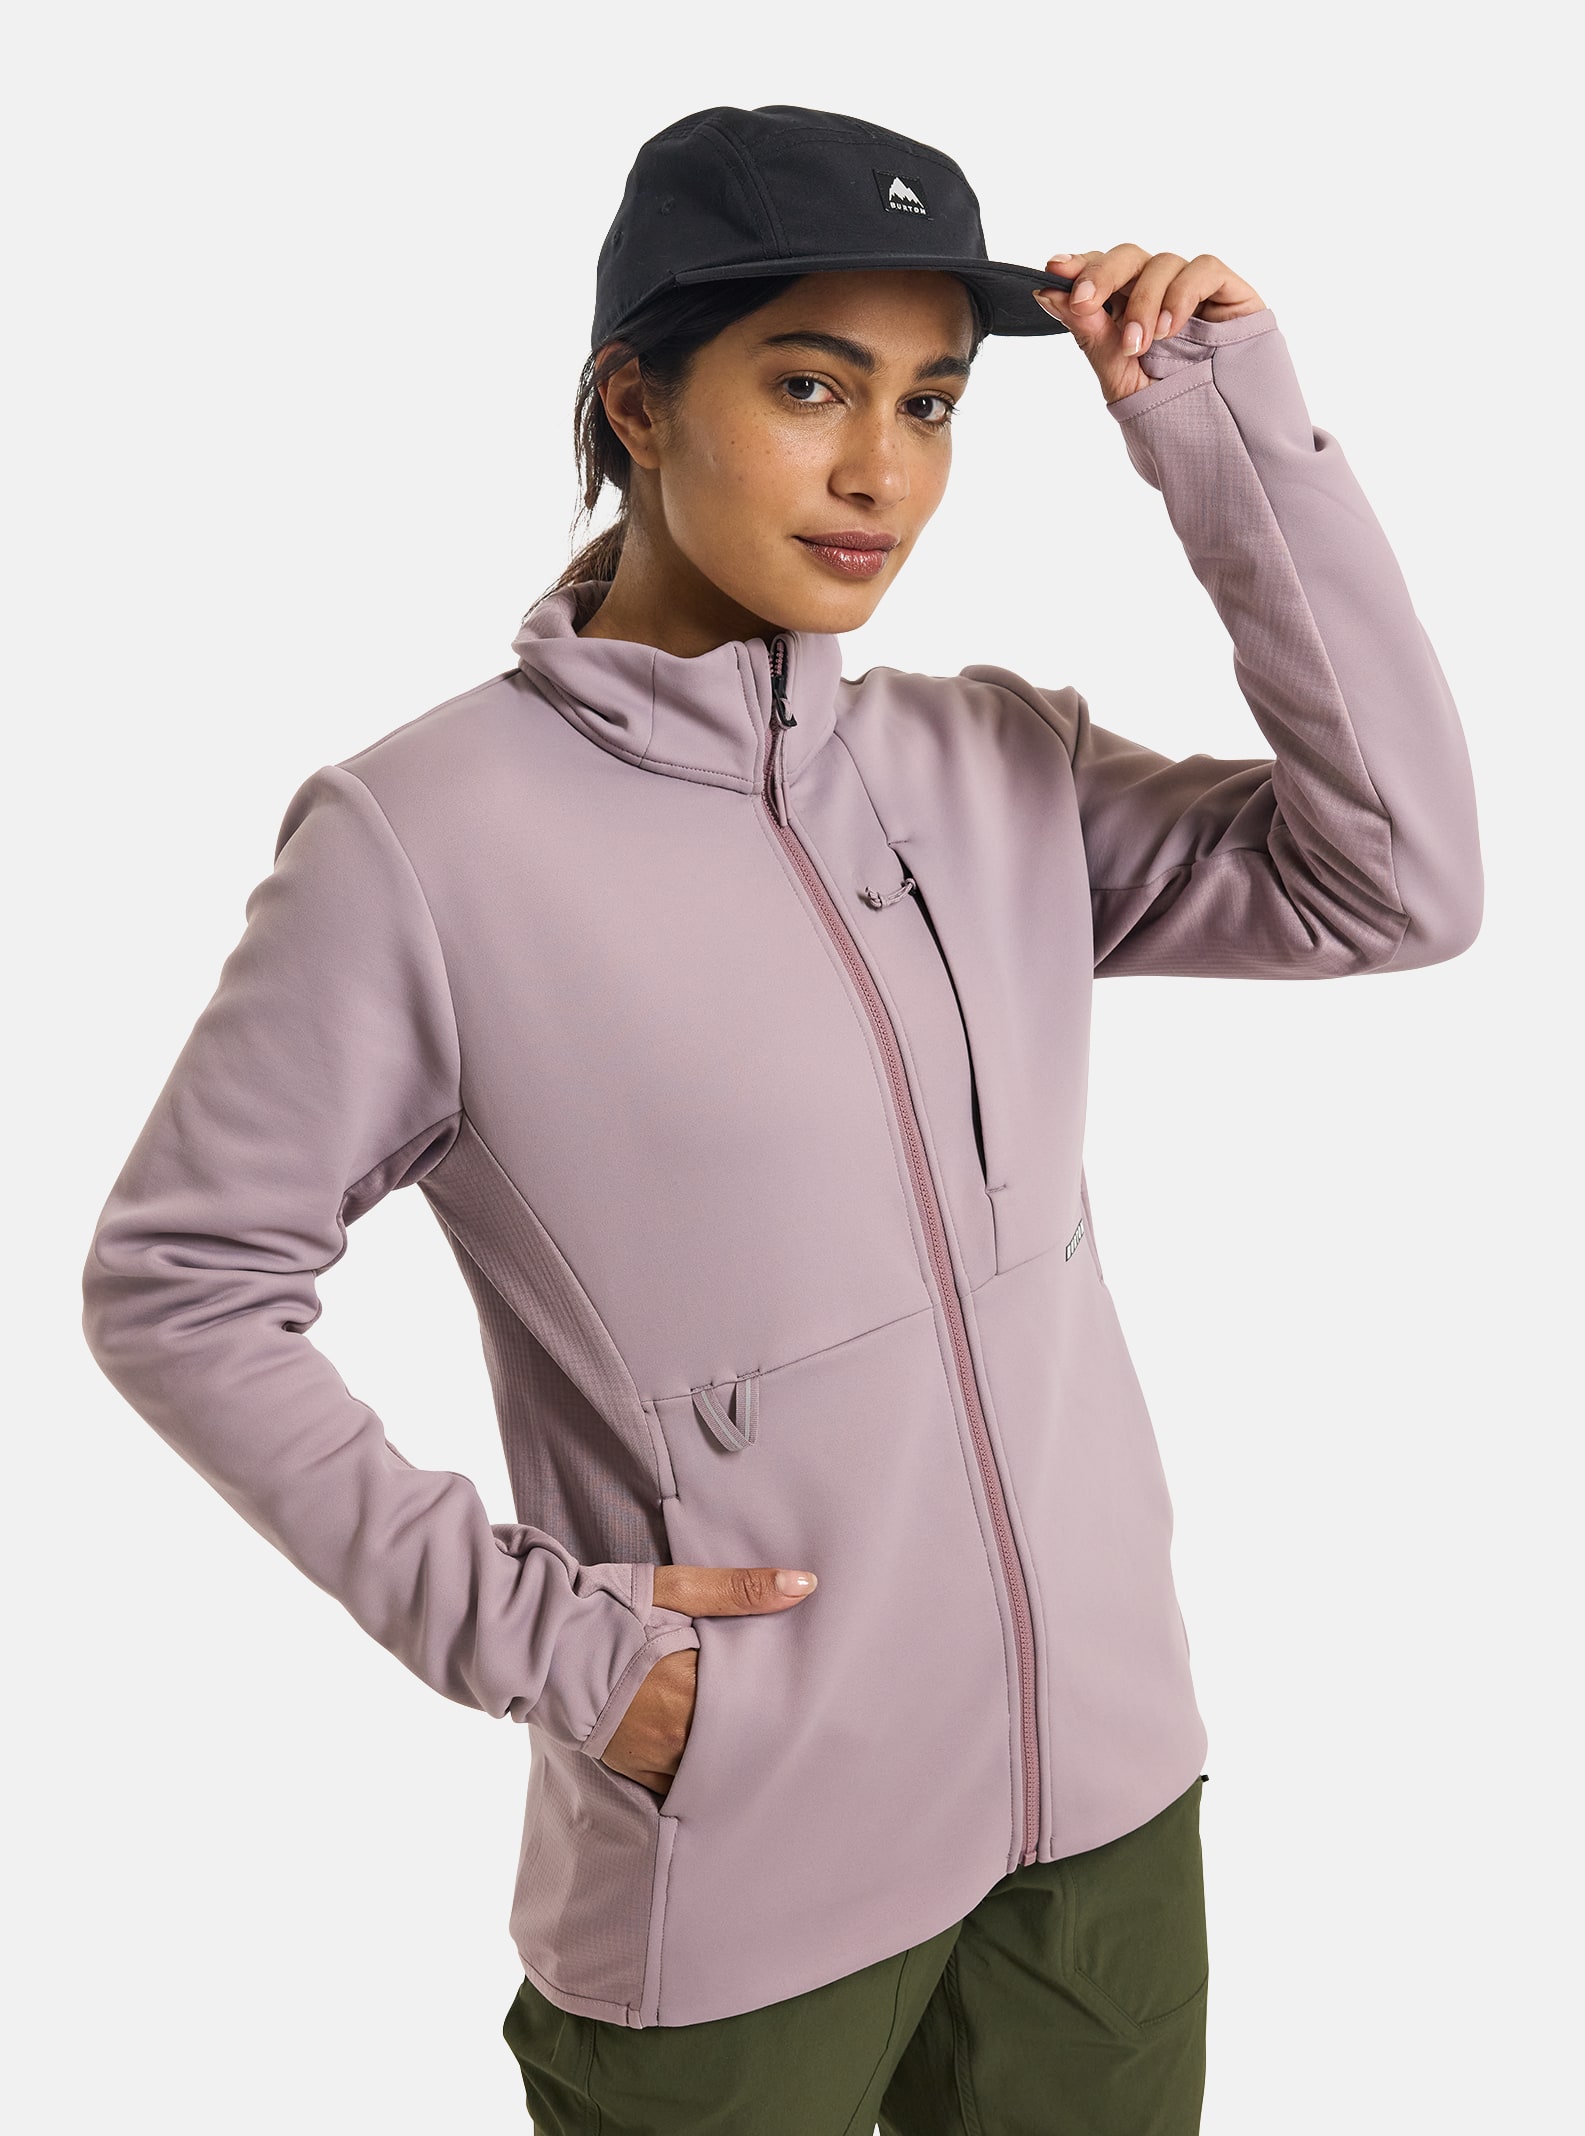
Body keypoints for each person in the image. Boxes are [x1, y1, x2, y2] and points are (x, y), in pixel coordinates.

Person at [80, 104, 1483, 2135]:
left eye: (930, 402)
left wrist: (1221, 435)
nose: (879, 471)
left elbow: (1398, 888)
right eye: (809, 386)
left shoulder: (991, 765)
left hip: (1098, 1807)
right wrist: (568, 1654)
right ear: (636, 403)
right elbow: (181, 1285)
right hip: (745, 1852)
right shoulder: (422, 840)